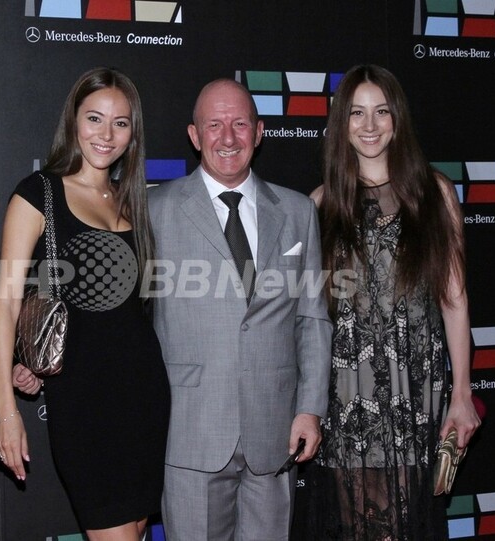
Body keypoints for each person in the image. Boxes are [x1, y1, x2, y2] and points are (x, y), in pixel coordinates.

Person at [146, 78, 332, 540]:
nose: (228, 137)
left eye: (240, 124)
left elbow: (312, 320)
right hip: (190, 433)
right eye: (214, 125)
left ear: (259, 131)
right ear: (194, 136)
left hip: (275, 431)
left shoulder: (297, 212)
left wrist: (310, 408)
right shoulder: (154, 209)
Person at [0, 67, 170, 541]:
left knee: (136, 527)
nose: (106, 135)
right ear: (73, 121)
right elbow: (6, 305)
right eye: (94, 118)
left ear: (133, 133)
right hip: (84, 403)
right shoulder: (39, 194)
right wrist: (6, 410)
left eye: (120, 123)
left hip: (144, 393)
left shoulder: (131, 201)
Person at [305, 64, 482, 540]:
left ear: (397, 119)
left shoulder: (435, 194)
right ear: (341, 122)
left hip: (414, 389)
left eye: (381, 112)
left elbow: (454, 298)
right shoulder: (319, 205)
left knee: (403, 526)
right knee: (358, 527)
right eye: (356, 113)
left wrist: (461, 394)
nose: (369, 125)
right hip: (346, 394)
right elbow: (306, 318)